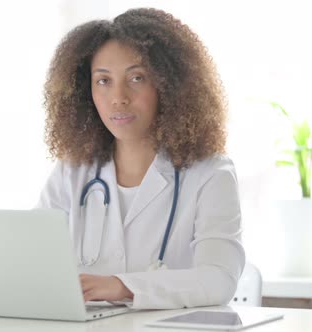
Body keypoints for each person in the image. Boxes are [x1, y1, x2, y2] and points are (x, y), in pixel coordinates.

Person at [37, 8, 245, 309]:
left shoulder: (211, 173)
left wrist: (122, 286)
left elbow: (219, 279)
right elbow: (30, 258)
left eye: (136, 78)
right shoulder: (72, 171)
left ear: (168, 85)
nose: (118, 97)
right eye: (103, 80)